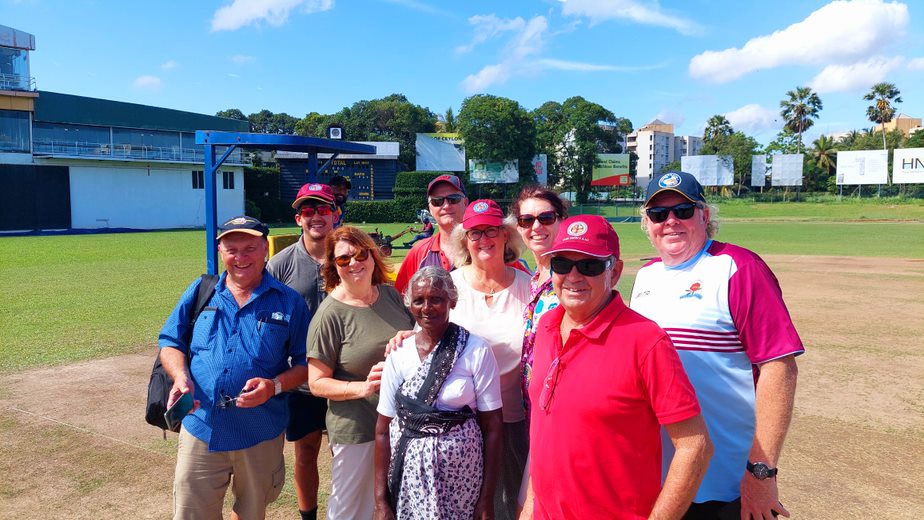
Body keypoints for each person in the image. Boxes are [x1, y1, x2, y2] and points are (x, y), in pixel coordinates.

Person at [631, 171, 804, 519]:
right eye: (659, 214)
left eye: (683, 210)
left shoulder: (737, 267)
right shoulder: (646, 276)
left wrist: (761, 473)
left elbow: (779, 368)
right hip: (663, 483)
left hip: (726, 485)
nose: (671, 222)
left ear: (705, 216)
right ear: (647, 223)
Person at [526, 215, 713, 519]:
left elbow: (696, 445)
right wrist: (530, 508)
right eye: (562, 264)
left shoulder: (645, 341)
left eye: (589, 266)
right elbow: (546, 435)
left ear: (615, 273)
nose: (573, 276)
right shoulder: (547, 325)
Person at [158, 215, 310, 520]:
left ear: (265, 250)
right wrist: (180, 378)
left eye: (250, 248)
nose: (240, 258)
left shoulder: (289, 301)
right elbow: (170, 341)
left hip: (259, 430)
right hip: (201, 425)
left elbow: (307, 364)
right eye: (232, 249)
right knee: (191, 514)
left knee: (251, 513)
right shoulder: (202, 291)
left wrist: (274, 386)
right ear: (220, 252)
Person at [373, 266, 504, 520]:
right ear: (409, 304)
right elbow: (382, 429)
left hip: (464, 480)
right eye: (419, 300)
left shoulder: (476, 350)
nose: (427, 307)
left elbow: (493, 427)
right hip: (410, 480)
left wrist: (486, 500)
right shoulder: (399, 354)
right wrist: (380, 502)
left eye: (436, 299)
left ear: (451, 301)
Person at [307, 226, 416, 520]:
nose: (355, 263)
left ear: (372, 255)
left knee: (394, 504)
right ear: (333, 266)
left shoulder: (392, 296)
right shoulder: (329, 314)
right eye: (344, 259)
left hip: (401, 427)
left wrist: (411, 337)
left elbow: (419, 340)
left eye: (360, 254)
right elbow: (316, 383)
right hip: (357, 429)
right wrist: (364, 387)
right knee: (351, 511)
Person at [448, 199, 531, 520]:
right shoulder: (449, 286)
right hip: (461, 421)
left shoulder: (529, 286)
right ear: (464, 240)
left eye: (492, 230)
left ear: (506, 235)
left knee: (514, 502)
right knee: (466, 503)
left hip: (516, 419)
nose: (484, 239)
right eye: (475, 232)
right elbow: (424, 341)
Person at [266, 182, 336, 520]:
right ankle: (308, 515)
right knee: (306, 452)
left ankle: (349, 511)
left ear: (335, 213)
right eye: (308, 210)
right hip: (303, 377)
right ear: (298, 219)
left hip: (347, 377)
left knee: (349, 453)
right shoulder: (280, 264)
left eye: (323, 208)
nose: (316, 216)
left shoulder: (351, 254)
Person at [509, 185, 568, 417]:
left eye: (546, 218)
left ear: (561, 220)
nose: (536, 227)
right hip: (533, 404)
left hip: (563, 403)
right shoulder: (532, 278)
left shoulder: (573, 275)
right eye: (527, 220)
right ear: (518, 227)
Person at [394, 174, 468, 294]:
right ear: (430, 209)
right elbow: (399, 300)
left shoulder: (483, 248)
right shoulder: (418, 252)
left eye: (453, 199)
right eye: (437, 201)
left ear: (465, 203)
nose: (446, 206)